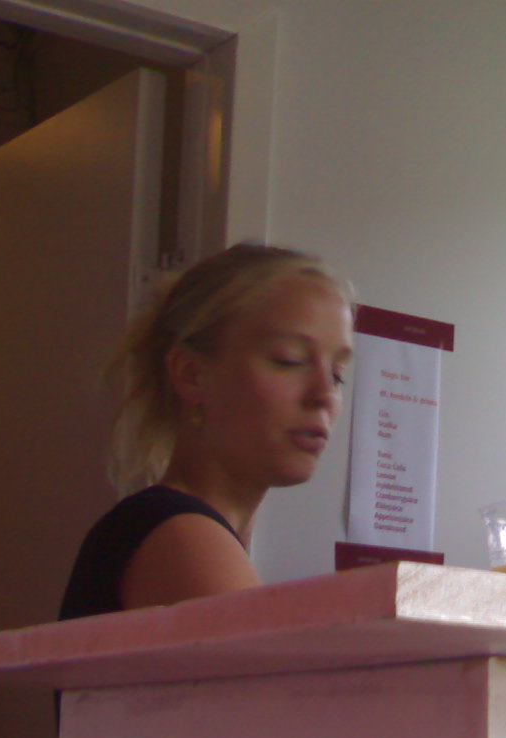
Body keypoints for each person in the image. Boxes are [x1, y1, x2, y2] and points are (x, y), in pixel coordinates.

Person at [60, 243, 353, 619]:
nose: (324, 394)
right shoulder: (183, 537)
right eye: (289, 361)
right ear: (191, 375)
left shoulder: (186, 532)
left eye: (338, 374)